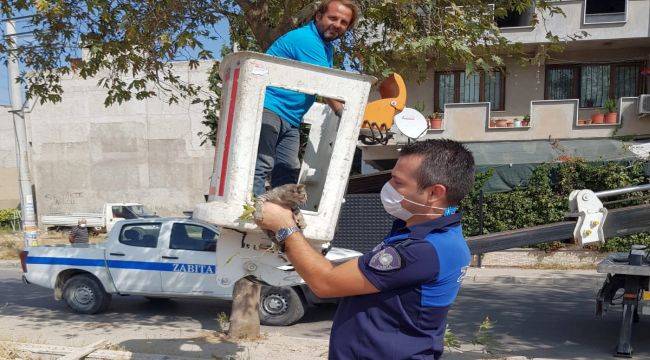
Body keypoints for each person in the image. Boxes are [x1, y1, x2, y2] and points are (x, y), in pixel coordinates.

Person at [255, 139, 475, 359]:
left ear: (435, 193)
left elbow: (324, 283)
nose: (388, 187)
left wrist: (285, 228)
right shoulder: (436, 235)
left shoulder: (420, 250)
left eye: (398, 183)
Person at [253, 0, 359, 196]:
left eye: (344, 22)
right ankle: (252, 214)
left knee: (288, 171)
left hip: (291, 118)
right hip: (269, 107)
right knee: (262, 164)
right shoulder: (307, 40)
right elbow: (325, 84)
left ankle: (282, 217)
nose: (337, 25)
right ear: (319, 16)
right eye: (333, 18)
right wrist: (347, 114)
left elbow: (324, 84)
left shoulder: (326, 48)